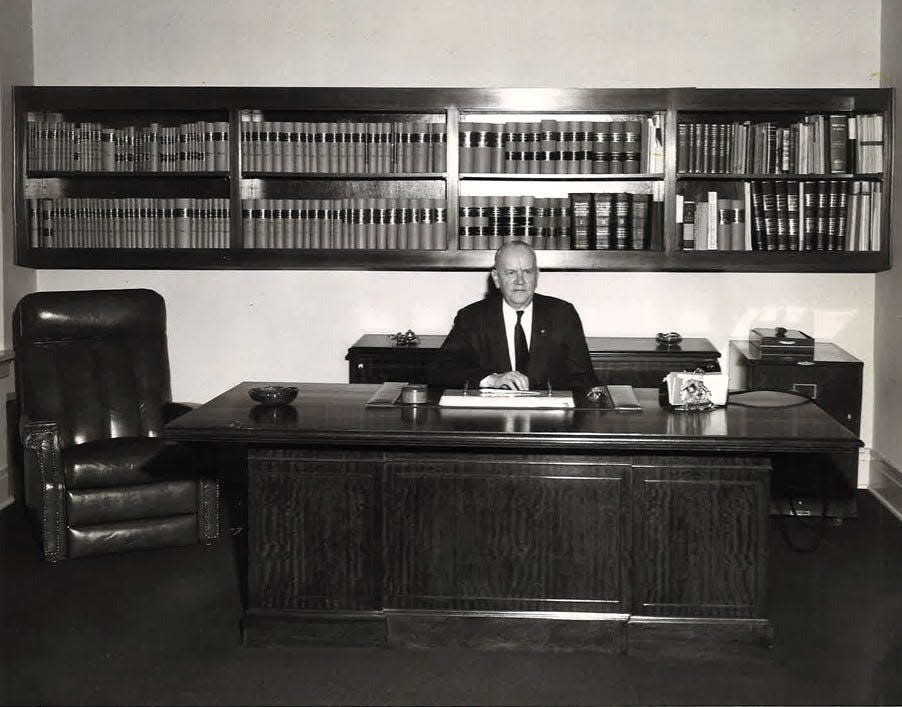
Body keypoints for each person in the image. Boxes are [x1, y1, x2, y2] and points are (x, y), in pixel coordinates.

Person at [427, 239, 597, 390]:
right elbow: (440, 370)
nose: (520, 281)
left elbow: (584, 378)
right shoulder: (472, 318)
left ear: (537, 276)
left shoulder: (563, 314)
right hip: (492, 420)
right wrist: (492, 379)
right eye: (511, 272)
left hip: (548, 420)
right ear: (496, 278)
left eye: (527, 272)